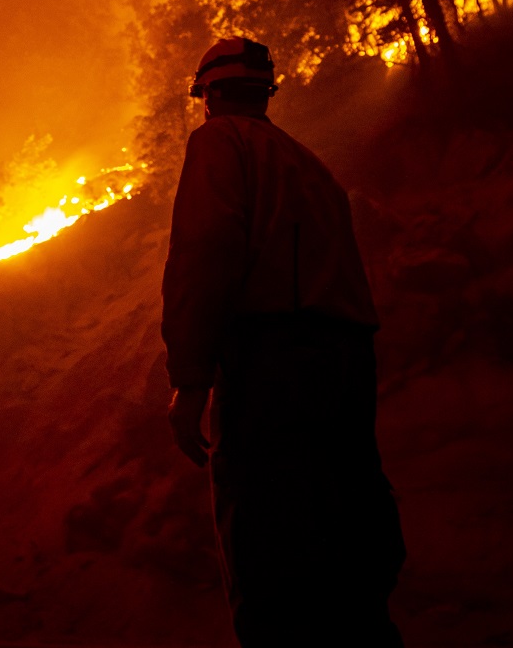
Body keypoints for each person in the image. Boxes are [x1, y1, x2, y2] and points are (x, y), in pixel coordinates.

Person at [161, 36, 404, 647]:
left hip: (273, 363)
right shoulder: (311, 165)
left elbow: (206, 252)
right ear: (266, 90)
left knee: (271, 550)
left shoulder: (220, 142)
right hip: (348, 364)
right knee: (348, 543)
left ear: (208, 95)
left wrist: (191, 381)